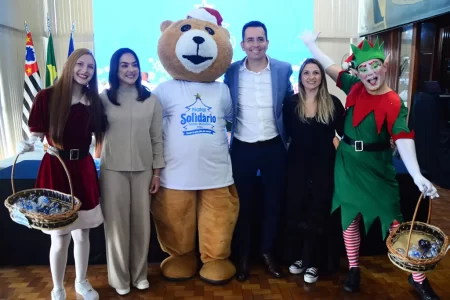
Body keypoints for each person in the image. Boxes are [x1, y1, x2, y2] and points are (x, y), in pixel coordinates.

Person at [301, 32, 440, 300]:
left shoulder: (394, 103)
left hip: (378, 167)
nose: (369, 73)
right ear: (359, 72)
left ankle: (417, 276)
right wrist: (310, 45)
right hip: (347, 163)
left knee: (397, 223)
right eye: (363, 68)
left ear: (384, 67)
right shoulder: (353, 85)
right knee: (349, 218)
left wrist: (416, 174)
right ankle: (354, 268)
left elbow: (402, 137)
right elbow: (329, 67)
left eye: (374, 66)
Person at [18, 48, 105, 300]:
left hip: (83, 170)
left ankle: (82, 282)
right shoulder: (47, 97)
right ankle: (57, 287)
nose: (85, 70)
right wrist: (27, 143)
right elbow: (35, 134)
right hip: (56, 168)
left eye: (90, 66)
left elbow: (98, 136)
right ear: (69, 66)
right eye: (80, 64)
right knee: (60, 235)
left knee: (83, 233)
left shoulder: (93, 100)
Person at [224, 20, 294, 281]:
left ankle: (267, 252)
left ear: (267, 42)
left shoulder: (282, 69)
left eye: (260, 39)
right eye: (250, 40)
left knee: (273, 202)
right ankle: (243, 256)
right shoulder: (230, 72)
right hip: (242, 146)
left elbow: (290, 104)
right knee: (243, 204)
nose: (255, 44)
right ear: (242, 44)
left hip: (274, 146)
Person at [97, 48, 164, 295]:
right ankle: (119, 279)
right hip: (113, 170)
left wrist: (157, 172)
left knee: (141, 226)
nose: (130, 69)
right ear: (115, 69)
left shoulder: (151, 100)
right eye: (124, 65)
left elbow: (157, 139)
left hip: (144, 170)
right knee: (116, 227)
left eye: (134, 64)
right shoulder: (103, 99)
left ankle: (140, 275)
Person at [282, 58, 344, 283]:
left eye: (316, 73)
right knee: (298, 212)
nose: (311, 77)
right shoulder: (290, 104)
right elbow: (287, 135)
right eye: (306, 73)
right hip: (297, 166)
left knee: (319, 214)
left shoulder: (334, 103)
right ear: (300, 77)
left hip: (324, 167)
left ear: (322, 77)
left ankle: (314, 262)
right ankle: (299, 257)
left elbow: (343, 134)